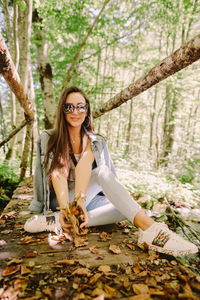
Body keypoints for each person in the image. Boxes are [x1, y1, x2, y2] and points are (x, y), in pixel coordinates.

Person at [24, 86, 198, 257]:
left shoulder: (95, 140)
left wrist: (80, 202)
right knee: (102, 173)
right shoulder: (50, 136)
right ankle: (150, 229)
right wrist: (65, 208)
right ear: (62, 110)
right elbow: (58, 172)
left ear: (87, 111)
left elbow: (84, 166)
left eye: (80, 106)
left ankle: (54, 221)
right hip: (62, 200)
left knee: (125, 208)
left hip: (84, 200)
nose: (75, 111)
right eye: (69, 107)